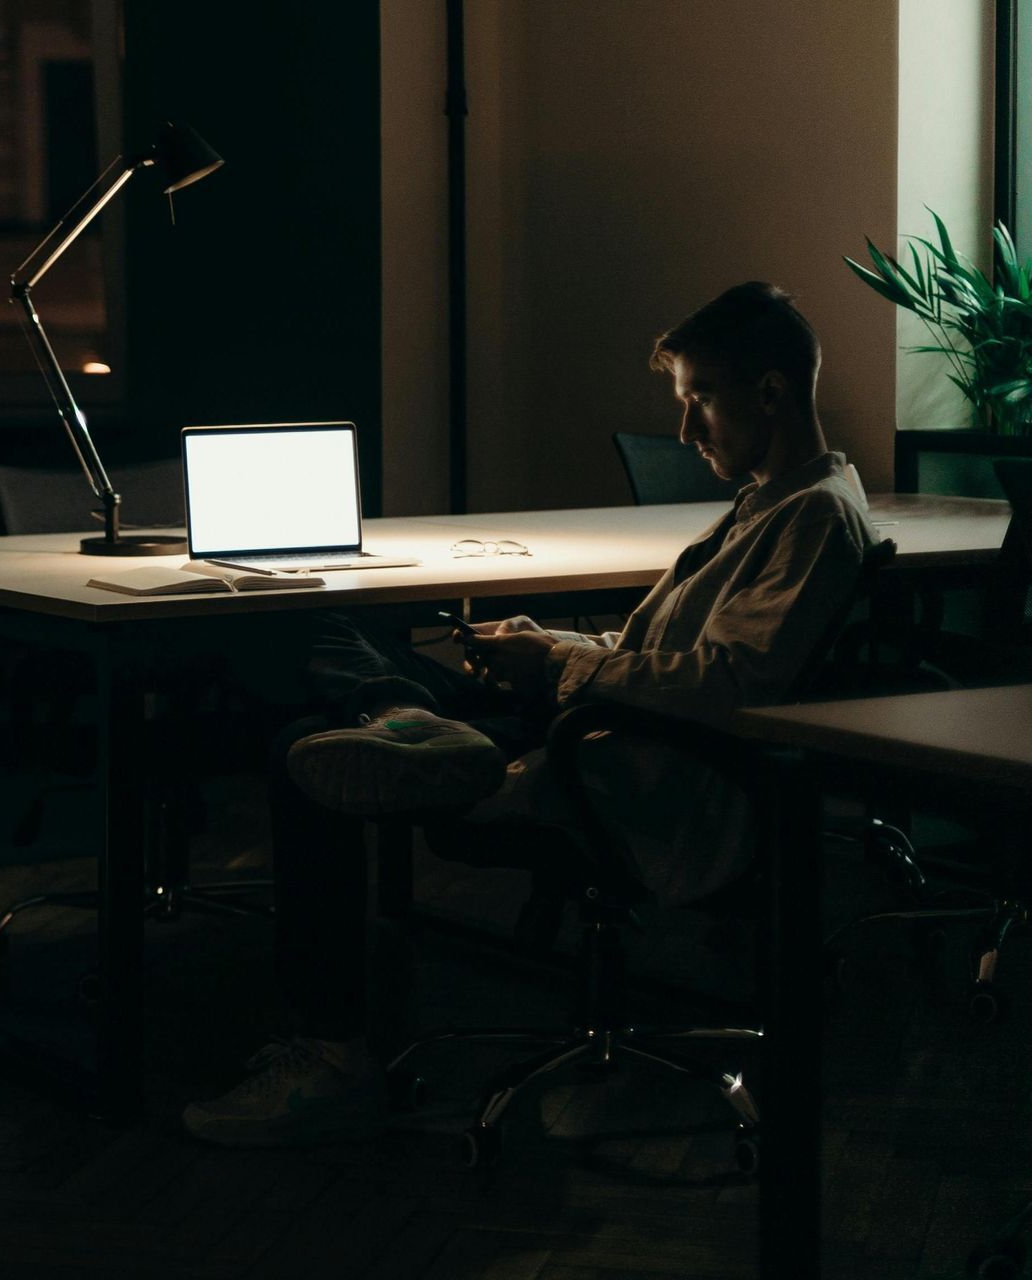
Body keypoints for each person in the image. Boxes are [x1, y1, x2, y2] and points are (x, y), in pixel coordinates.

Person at [181, 281, 876, 1147]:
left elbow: (725, 684)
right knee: (311, 620)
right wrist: (547, 642)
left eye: (699, 399)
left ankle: (330, 1054)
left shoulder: (814, 520)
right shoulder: (773, 504)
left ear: (769, 392)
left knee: (303, 748)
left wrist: (557, 666)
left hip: (623, 766)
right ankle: (401, 711)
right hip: (603, 725)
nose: (686, 429)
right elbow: (668, 649)